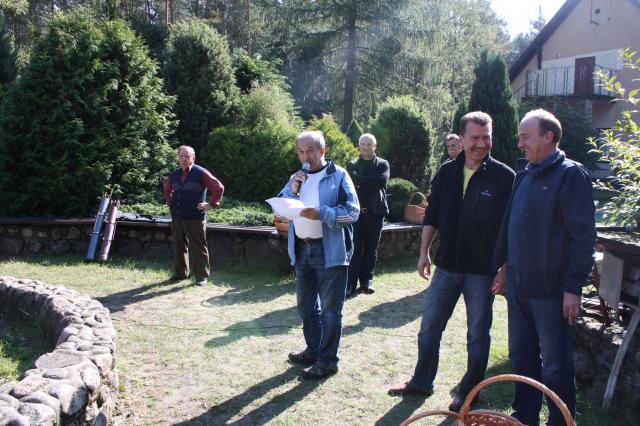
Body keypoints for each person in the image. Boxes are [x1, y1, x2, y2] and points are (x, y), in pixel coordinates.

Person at [389, 112, 515, 413]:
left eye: (486, 137)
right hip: (446, 266)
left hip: (482, 272)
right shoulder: (447, 171)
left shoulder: (504, 177)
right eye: (475, 138)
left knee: (477, 335)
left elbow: (512, 227)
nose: (482, 144)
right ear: (462, 138)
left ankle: (470, 392)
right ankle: (422, 381)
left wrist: (505, 267)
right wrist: (424, 252)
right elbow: (432, 215)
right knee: (429, 328)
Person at [492, 109, 595, 426]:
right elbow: (510, 225)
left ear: (548, 137)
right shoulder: (524, 175)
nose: (520, 143)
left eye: (526, 136)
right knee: (521, 357)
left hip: (552, 291)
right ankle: (524, 418)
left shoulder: (571, 175)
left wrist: (573, 288)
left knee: (554, 365)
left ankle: (561, 422)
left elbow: (583, 237)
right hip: (519, 285)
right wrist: (504, 267)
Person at [277, 130, 359, 380]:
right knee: (306, 306)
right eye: (301, 152)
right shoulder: (296, 177)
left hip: (329, 251)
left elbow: (352, 212)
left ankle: (328, 361)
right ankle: (313, 350)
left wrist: (322, 213)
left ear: (322, 151)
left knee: (331, 311)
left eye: (310, 151)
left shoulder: (338, 175)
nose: (305, 157)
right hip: (302, 249)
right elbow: (282, 205)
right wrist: (291, 192)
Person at [163, 145, 224, 286]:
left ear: (193, 158)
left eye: (187, 156)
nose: (183, 159)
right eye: (181, 156)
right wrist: (170, 202)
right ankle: (180, 273)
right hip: (177, 215)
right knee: (179, 245)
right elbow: (166, 189)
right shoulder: (174, 174)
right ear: (178, 157)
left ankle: (202, 277)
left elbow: (219, 188)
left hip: (195, 216)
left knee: (198, 247)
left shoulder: (201, 173)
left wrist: (212, 204)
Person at [345, 133, 390, 297]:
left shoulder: (383, 164)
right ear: (359, 146)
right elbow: (351, 182)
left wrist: (360, 181)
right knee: (354, 249)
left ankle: (366, 282)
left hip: (376, 214)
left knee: (371, 249)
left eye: (369, 144)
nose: (365, 147)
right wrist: (368, 181)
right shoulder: (352, 164)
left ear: (375, 146)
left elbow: (381, 182)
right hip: (356, 214)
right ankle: (350, 284)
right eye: (363, 144)